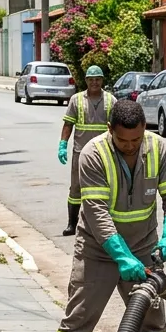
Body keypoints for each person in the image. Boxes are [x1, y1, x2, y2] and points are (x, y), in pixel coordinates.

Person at [41, 98, 166, 332]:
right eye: (123, 141)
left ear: (144, 130)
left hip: (144, 245)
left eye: (136, 140)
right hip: (98, 248)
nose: (130, 146)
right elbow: (95, 212)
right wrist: (121, 257)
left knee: (153, 323)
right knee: (80, 316)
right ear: (111, 131)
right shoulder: (94, 154)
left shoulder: (158, 149)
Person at [59, 65, 115, 237]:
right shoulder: (76, 100)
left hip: (104, 153)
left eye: (97, 79)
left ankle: (106, 225)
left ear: (102, 80)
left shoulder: (111, 100)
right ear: (86, 81)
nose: (94, 82)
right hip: (80, 152)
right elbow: (68, 124)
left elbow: (116, 127)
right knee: (76, 189)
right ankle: (72, 224)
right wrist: (63, 144)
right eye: (91, 79)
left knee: (107, 189)